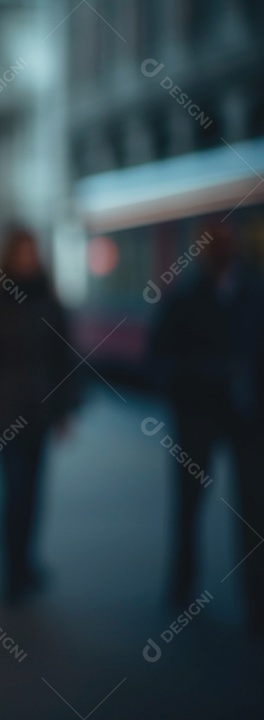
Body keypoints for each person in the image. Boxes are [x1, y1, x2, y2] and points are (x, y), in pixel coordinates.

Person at [148, 221, 264, 637]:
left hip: (248, 418)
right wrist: (205, 375)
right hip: (197, 416)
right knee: (188, 504)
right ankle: (181, 586)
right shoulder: (184, 298)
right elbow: (159, 360)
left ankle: (256, 600)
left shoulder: (254, 293)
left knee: (254, 511)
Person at [0, 226, 76, 604]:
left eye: (33, 251)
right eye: (23, 252)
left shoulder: (49, 300)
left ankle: (27, 562)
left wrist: (64, 411)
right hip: (3, 410)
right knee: (13, 490)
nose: (29, 258)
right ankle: (10, 572)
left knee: (35, 493)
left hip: (40, 408)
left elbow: (64, 360)